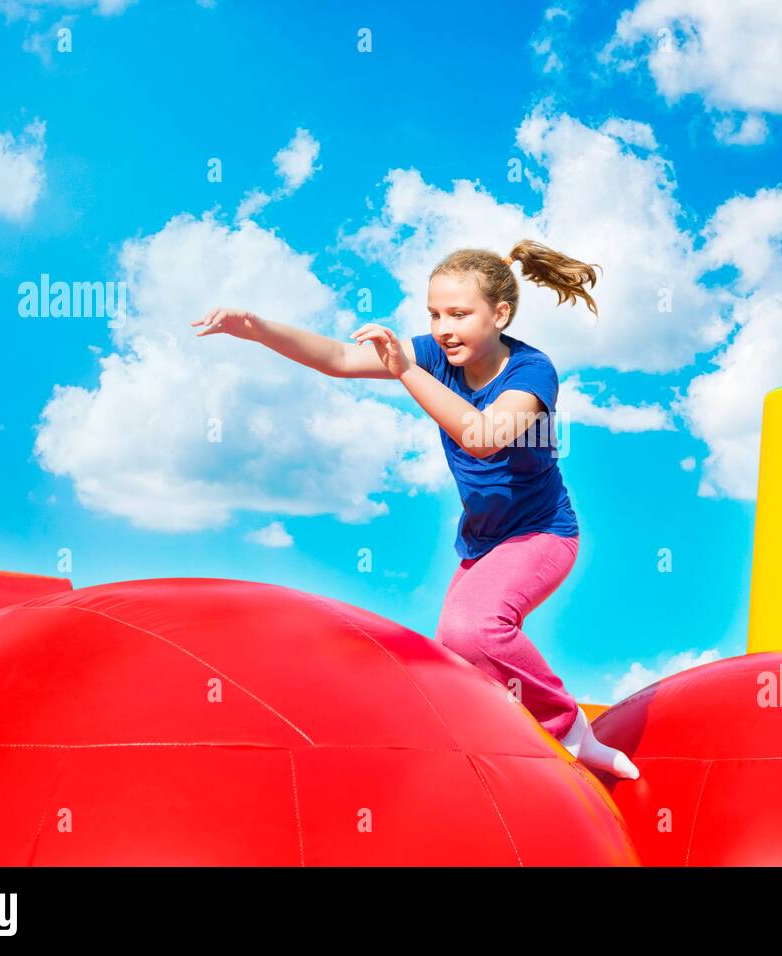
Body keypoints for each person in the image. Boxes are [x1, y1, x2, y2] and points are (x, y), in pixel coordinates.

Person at [191, 239, 639, 777]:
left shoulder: (531, 371)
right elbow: (338, 359)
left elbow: (482, 435)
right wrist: (257, 327)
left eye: (459, 314)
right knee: (455, 656)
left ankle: (568, 728)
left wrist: (405, 369)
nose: (443, 327)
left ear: (499, 315)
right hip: (481, 544)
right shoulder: (433, 355)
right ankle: (495, 741)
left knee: (473, 631)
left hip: (542, 535)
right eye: (433, 314)